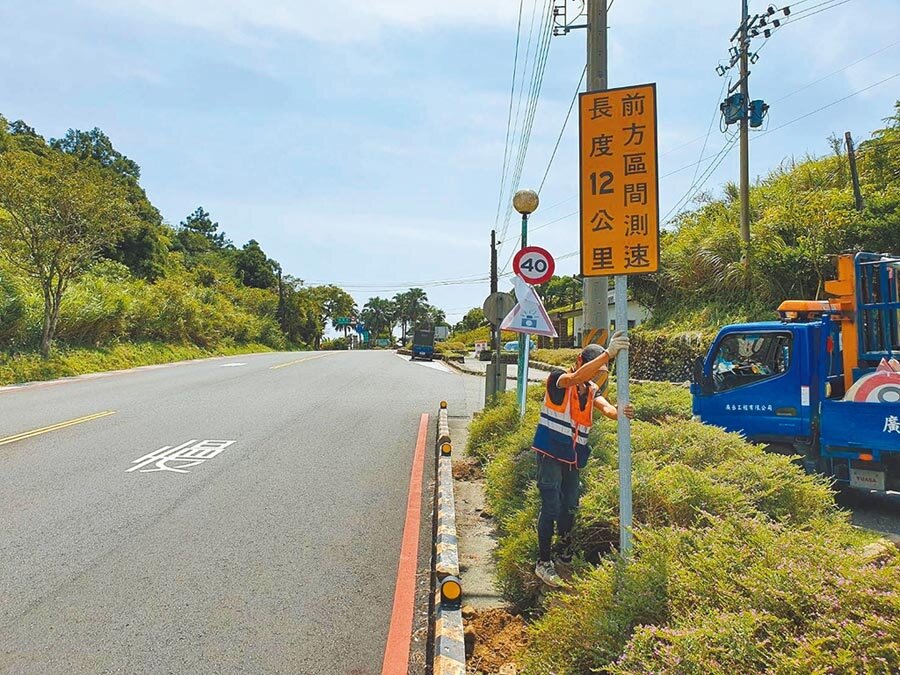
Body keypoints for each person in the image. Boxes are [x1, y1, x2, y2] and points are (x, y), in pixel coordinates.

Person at [532, 332, 634, 588]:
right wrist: (608, 354)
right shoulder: (559, 378)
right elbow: (577, 377)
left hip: (572, 459)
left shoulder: (590, 390)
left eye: (602, 372)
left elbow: (607, 408)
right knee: (551, 507)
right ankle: (543, 562)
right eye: (596, 369)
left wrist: (620, 411)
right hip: (550, 454)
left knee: (570, 508)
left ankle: (564, 555)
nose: (598, 376)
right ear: (581, 361)